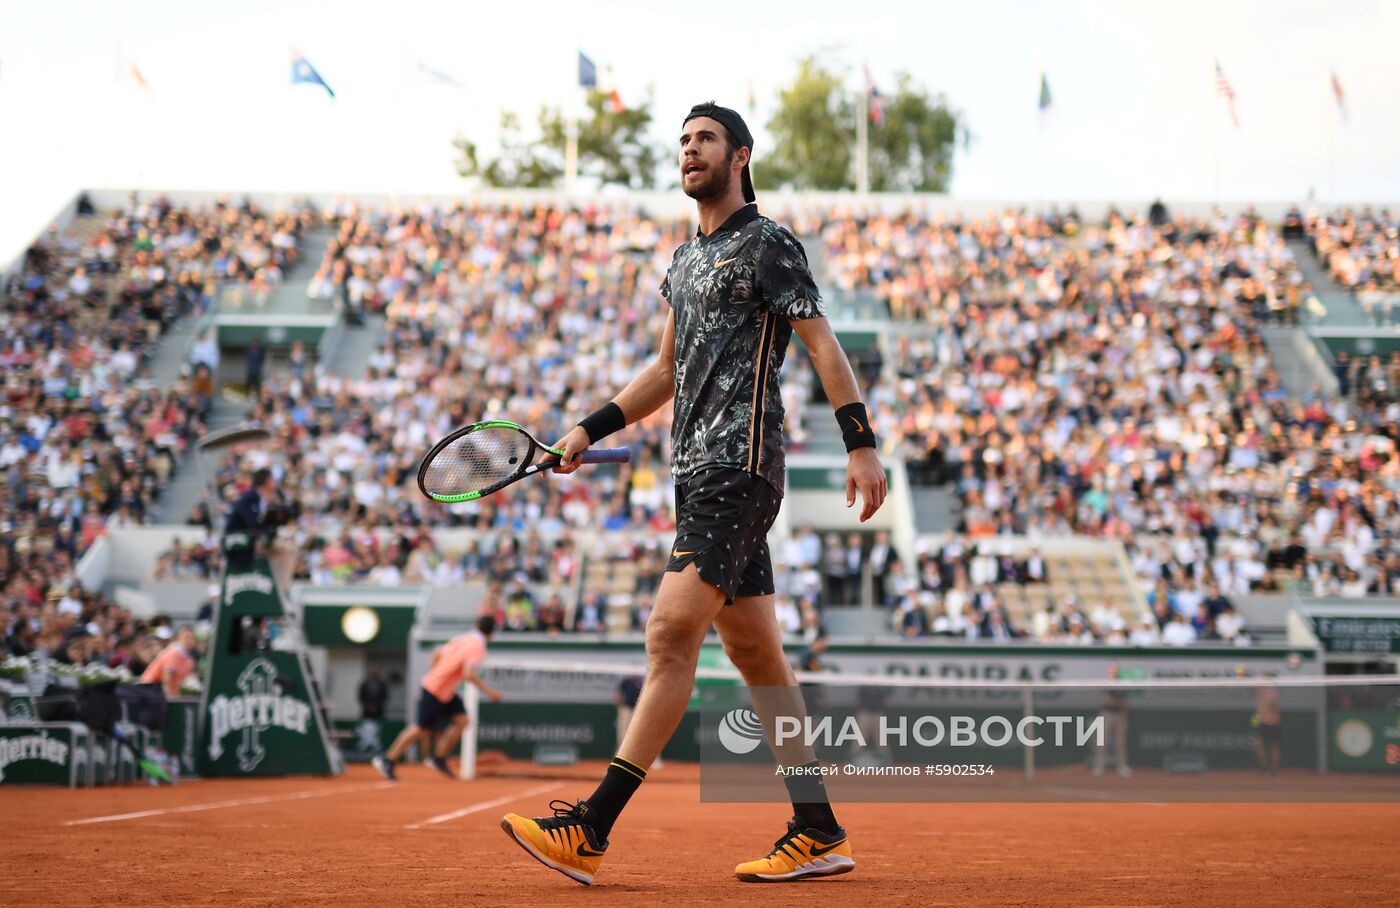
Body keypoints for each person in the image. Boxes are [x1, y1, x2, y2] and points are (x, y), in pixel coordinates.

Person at [501, 102, 886, 886]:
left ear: (740, 155)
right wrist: (585, 430)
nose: (689, 151)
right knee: (754, 653)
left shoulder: (769, 244)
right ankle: (816, 827)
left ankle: (592, 826)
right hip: (695, 475)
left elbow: (823, 344)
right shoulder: (682, 262)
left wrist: (861, 443)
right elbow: (659, 374)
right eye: (682, 142)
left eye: (704, 139)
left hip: (740, 470)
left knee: (669, 632)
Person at [373, 615, 501, 780]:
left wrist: (433, 672)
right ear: (491, 633)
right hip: (436, 689)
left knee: (463, 721)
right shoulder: (478, 647)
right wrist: (490, 692)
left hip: (444, 690)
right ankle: (387, 759)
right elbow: (469, 674)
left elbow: (437, 652)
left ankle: (438, 758)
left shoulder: (463, 638)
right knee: (420, 728)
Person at [1092, 662, 1132, 777]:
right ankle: (1099, 766)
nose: (1113, 671)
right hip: (1106, 714)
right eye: (1111, 669)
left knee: (1121, 743)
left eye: (1114, 669)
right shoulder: (1106, 684)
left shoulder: (1123, 684)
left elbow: (1125, 701)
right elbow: (1107, 701)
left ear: (1117, 671)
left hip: (1120, 715)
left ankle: (1122, 767)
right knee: (1101, 742)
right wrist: (1116, 701)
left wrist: (1121, 709)